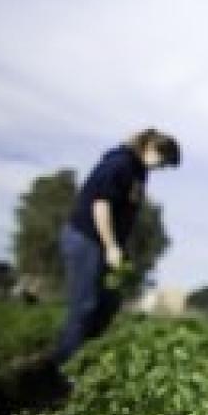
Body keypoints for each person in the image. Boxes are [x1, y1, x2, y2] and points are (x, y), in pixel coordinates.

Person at [52, 129, 181, 367]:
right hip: (87, 239)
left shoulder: (138, 171)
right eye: (163, 162)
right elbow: (101, 204)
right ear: (152, 148)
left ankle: (84, 362)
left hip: (103, 244)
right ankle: (64, 368)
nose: (161, 167)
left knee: (109, 303)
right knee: (86, 305)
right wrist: (111, 246)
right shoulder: (120, 163)